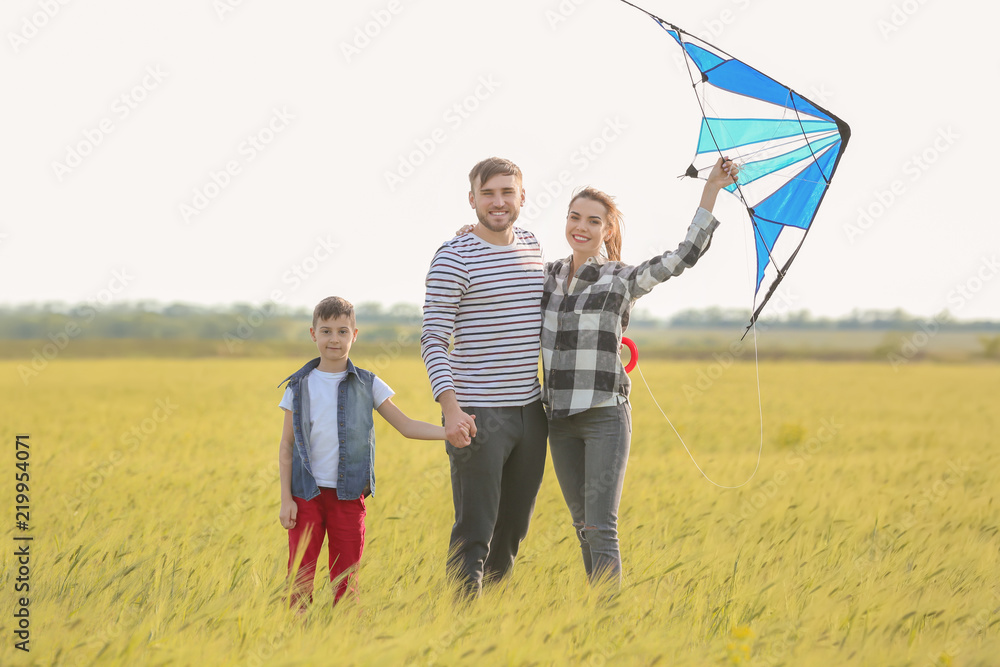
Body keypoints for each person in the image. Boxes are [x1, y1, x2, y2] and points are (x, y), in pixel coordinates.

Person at [541, 157, 739, 587]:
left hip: (603, 417)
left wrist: (711, 190)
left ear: (607, 231)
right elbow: (504, 270)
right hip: (558, 420)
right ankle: (597, 619)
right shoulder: (548, 276)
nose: (582, 227)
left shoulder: (621, 279)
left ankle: (611, 621)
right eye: (574, 217)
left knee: (600, 527)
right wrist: (476, 237)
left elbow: (682, 256)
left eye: (594, 221)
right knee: (581, 527)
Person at [277, 296, 460, 611]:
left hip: (348, 498)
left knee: (346, 583)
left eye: (342, 331)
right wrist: (285, 499)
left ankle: (345, 645)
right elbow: (286, 446)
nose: (334, 339)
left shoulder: (368, 384)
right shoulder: (298, 386)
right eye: (326, 331)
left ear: (355, 334)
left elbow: (404, 425)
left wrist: (447, 431)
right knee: (300, 581)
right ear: (313, 334)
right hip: (305, 496)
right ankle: (296, 644)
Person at [421, 157, 549, 598]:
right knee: (475, 529)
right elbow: (434, 339)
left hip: (531, 411)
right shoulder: (453, 256)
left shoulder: (534, 245)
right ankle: (459, 629)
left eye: (507, 192)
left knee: (513, 530)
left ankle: (492, 628)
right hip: (477, 413)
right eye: (488, 193)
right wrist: (451, 410)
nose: (498, 202)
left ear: (522, 197)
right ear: (472, 198)